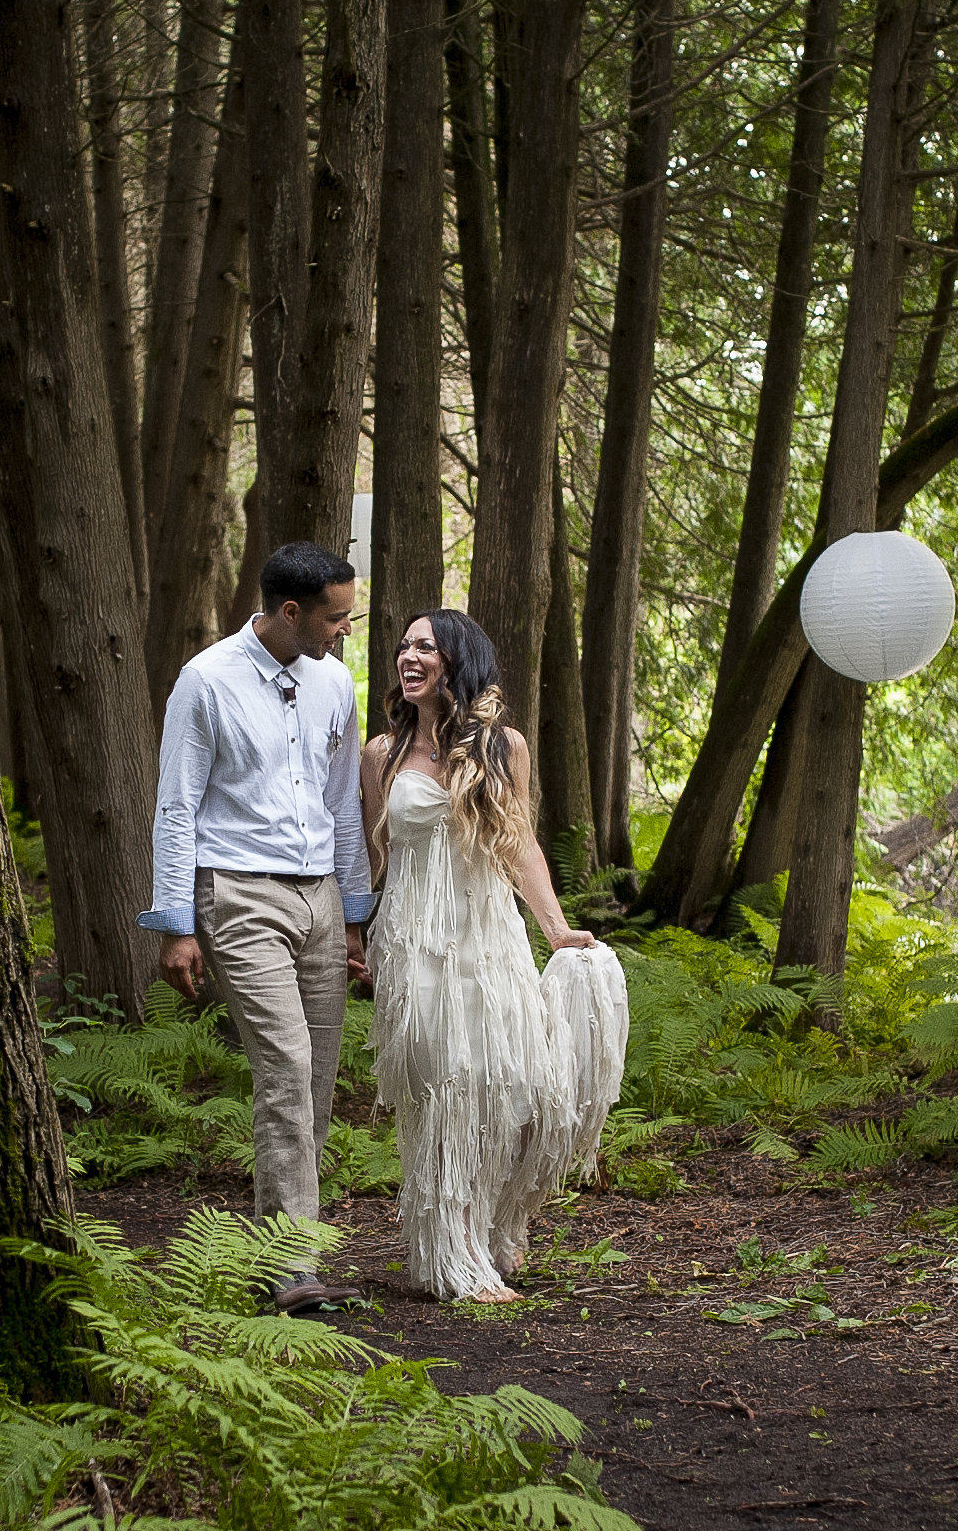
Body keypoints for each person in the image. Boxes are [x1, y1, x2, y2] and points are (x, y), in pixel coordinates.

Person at [361, 608, 627, 1303]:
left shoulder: (502, 747)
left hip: (489, 936)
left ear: (457, 659)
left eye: (425, 646)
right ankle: (448, 1257)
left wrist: (557, 932)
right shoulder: (379, 755)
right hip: (416, 944)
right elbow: (373, 857)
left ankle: (491, 1227)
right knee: (445, 1089)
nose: (407, 656)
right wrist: (355, 938)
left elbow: (520, 846)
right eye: (403, 645)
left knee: (511, 1091)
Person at [141, 541, 372, 1314]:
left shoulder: (334, 682)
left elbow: (343, 805)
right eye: (338, 617)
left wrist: (354, 916)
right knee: (283, 1069)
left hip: (319, 902)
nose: (347, 629)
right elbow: (176, 804)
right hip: (237, 894)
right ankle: (290, 1265)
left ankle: (278, 1242)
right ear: (290, 612)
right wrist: (176, 923)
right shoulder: (206, 681)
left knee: (316, 1077)